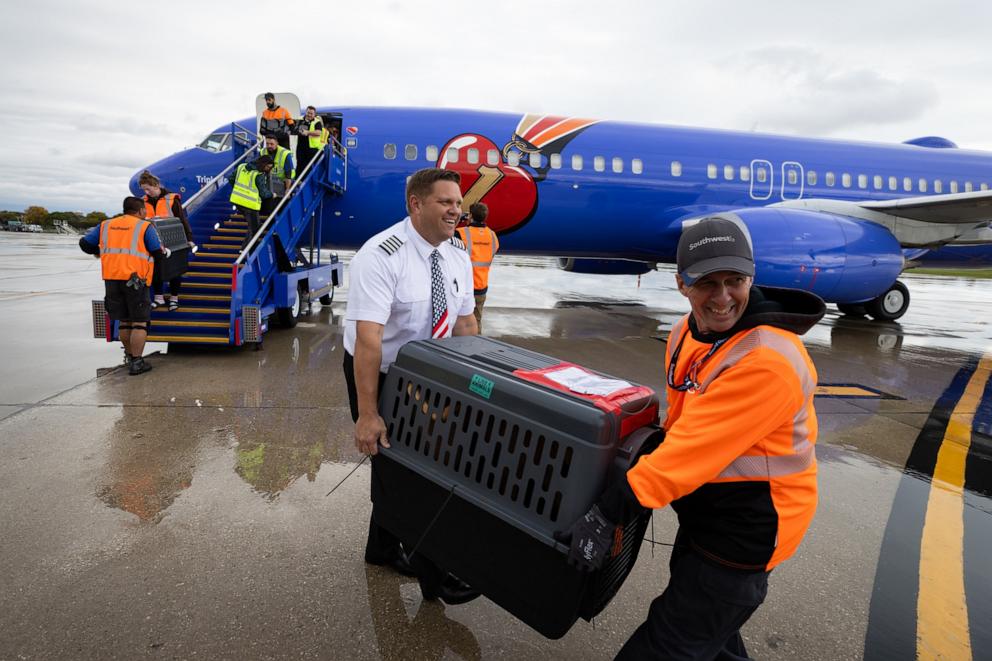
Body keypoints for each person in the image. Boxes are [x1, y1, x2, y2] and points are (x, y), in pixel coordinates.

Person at [557, 215, 825, 660]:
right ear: (682, 284)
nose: (722, 298)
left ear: (751, 277)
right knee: (710, 633)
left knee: (672, 643)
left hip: (750, 527)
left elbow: (688, 453)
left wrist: (609, 511)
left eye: (734, 280)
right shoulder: (686, 332)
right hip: (707, 509)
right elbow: (683, 423)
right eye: (707, 283)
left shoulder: (769, 361)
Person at [343, 167, 479, 605]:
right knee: (405, 471)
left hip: (429, 373)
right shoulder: (381, 255)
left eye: (458, 203)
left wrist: (475, 381)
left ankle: (381, 550)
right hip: (380, 371)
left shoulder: (457, 254)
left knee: (405, 466)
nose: (456, 210)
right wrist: (367, 414)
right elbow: (368, 341)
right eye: (445, 202)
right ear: (416, 204)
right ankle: (434, 572)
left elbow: (465, 323)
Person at [79, 197, 170, 375]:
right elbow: (156, 251)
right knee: (139, 322)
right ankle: (137, 362)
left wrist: (100, 253)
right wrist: (165, 253)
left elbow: (84, 243)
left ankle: (129, 356)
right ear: (140, 211)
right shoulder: (144, 226)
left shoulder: (106, 225)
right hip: (136, 280)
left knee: (124, 321)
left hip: (112, 278)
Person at [138, 170, 195, 311]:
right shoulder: (142, 202)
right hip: (153, 241)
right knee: (155, 270)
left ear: (156, 185)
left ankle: (174, 298)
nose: (146, 192)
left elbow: (182, 220)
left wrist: (189, 239)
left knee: (175, 270)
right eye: (144, 189)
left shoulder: (172, 199)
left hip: (174, 240)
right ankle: (159, 298)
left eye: (148, 189)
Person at [455, 202, 499, 332]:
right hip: (481, 287)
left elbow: (447, 243)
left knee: (457, 322)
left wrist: (458, 221)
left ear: (470, 216)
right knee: (476, 321)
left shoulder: (461, 233)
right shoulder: (492, 235)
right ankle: (475, 346)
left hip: (463, 287)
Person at [229, 155, 274, 249]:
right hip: (250, 204)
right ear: (263, 164)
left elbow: (231, 178)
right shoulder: (258, 174)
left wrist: (238, 190)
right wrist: (272, 195)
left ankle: (249, 248)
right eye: (268, 167)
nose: (268, 170)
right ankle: (246, 249)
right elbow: (263, 193)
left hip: (237, 201)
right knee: (255, 228)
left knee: (253, 225)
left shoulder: (242, 167)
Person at [259, 134, 295, 217]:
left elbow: (288, 174)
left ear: (277, 143)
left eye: (271, 144)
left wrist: (288, 189)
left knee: (275, 207)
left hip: (282, 183)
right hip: (268, 183)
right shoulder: (262, 152)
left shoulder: (285, 153)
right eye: (267, 144)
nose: (269, 146)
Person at [295, 105, 324, 175]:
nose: (309, 115)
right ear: (306, 112)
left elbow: (319, 132)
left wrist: (308, 132)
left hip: (312, 148)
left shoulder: (317, 122)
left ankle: (305, 180)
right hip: (300, 146)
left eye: (311, 113)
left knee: (309, 165)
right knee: (299, 163)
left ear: (314, 114)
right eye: (308, 113)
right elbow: (294, 128)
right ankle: (298, 180)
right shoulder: (300, 119)